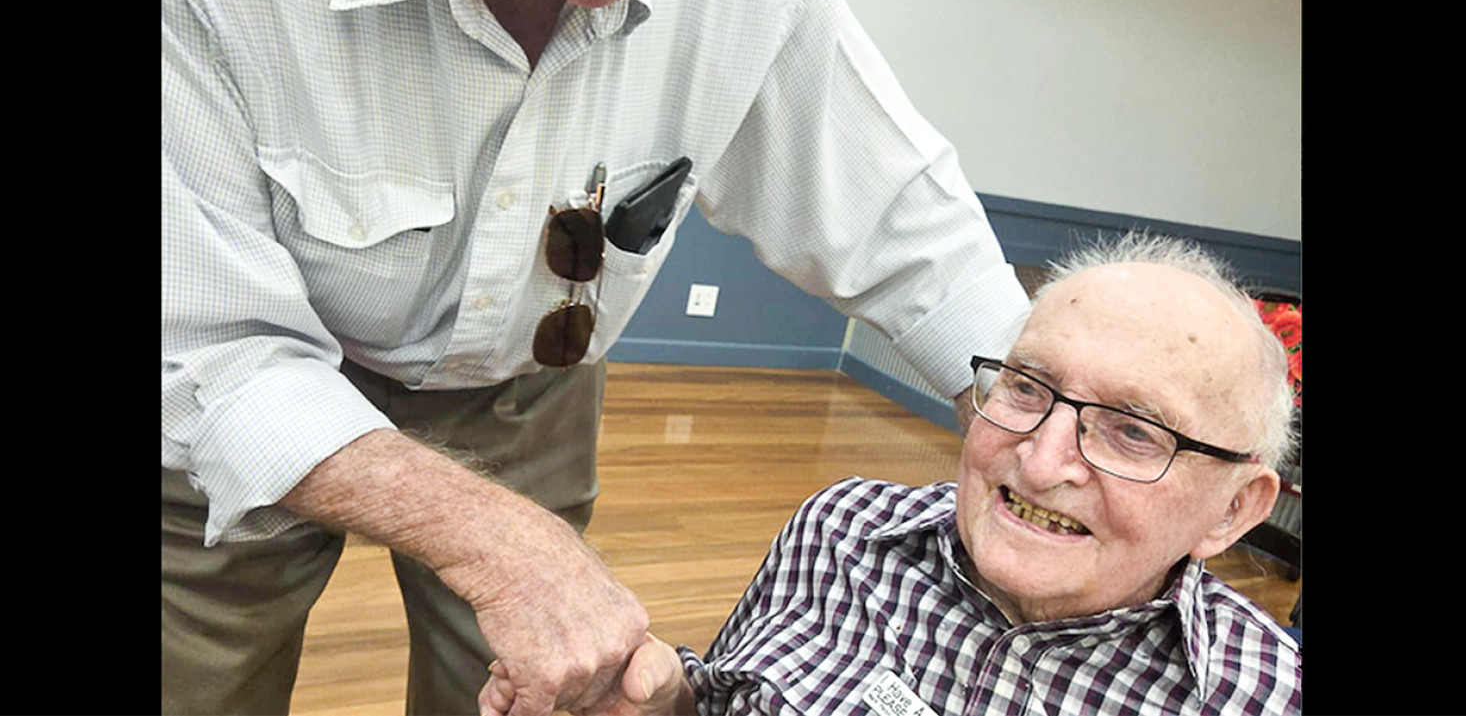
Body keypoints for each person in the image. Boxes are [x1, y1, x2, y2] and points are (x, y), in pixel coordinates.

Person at [160, 0, 1034, 714]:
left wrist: (1051, 417)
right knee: (197, 675)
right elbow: (210, 350)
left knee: (540, 690)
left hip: (527, 385)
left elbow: (907, 225)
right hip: (215, 391)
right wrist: (496, 536)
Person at [515, 234, 1302, 716]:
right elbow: (722, 699)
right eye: (1027, 387)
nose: (1040, 457)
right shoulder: (840, 532)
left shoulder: (1266, 695)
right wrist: (659, 702)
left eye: (1133, 430)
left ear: (1232, 509)